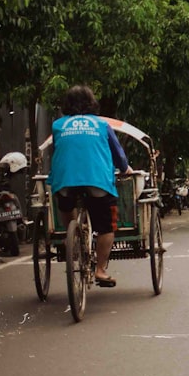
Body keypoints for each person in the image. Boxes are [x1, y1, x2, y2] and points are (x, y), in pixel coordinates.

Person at [48, 85, 133, 287]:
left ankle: (72, 234)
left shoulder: (58, 125)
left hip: (65, 180)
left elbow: (58, 152)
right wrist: (124, 168)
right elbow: (119, 155)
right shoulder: (102, 125)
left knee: (66, 205)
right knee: (106, 227)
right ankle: (101, 270)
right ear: (92, 103)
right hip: (97, 180)